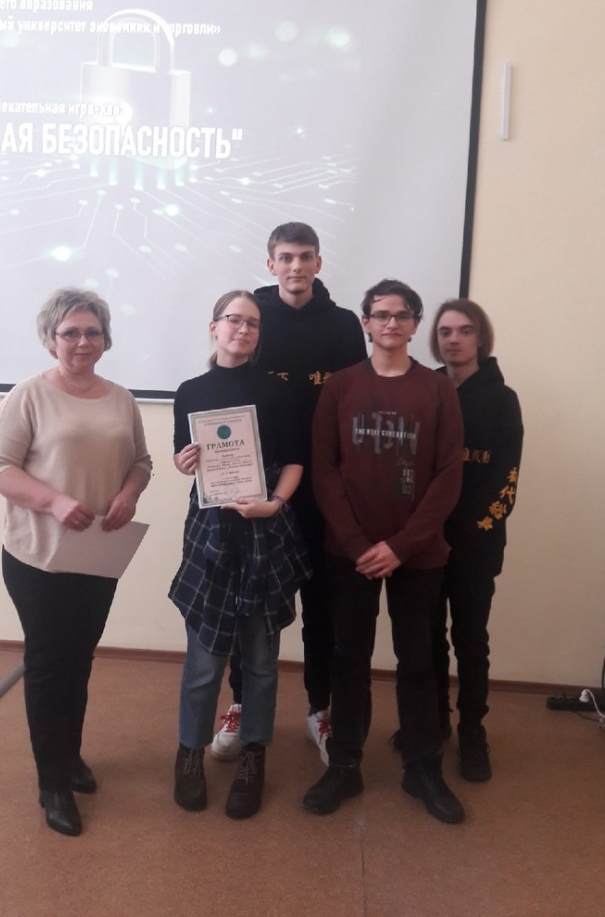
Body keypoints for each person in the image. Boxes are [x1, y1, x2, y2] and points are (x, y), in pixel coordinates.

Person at [0, 288, 152, 837]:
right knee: (50, 664)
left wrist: (129, 493)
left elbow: (142, 462)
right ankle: (51, 781)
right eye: (71, 332)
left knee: (79, 659)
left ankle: (69, 754)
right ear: (51, 338)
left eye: (92, 332)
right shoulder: (29, 395)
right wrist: (54, 501)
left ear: (106, 339)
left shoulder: (121, 398)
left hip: (97, 554)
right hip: (38, 556)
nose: (83, 341)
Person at [302, 279, 466, 824]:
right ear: (366, 323)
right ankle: (344, 765)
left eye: (401, 315)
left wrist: (401, 545)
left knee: (418, 661)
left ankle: (423, 768)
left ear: (415, 324)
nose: (390, 323)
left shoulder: (438, 390)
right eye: (380, 314)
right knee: (348, 659)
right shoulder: (341, 386)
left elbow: (448, 475)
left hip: (417, 553)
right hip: (350, 553)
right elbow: (324, 470)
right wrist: (356, 544)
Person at [211, 222, 367, 766]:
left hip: (324, 485)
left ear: (318, 263)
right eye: (285, 257)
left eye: (305, 256)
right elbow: (227, 387)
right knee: (250, 602)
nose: (295, 266)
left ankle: (320, 709)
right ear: (270, 263)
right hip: (260, 481)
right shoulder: (251, 318)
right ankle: (241, 703)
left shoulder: (344, 325)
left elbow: (355, 403)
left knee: (323, 603)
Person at [170, 290, 312, 820]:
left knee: (261, 661)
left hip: (263, 531)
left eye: (252, 323)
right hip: (210, 532)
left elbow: (295, 461)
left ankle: (254, 754)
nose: (243, 329)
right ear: (214, 327)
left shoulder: (277, 391)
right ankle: (190, 752)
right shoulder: (190, 391)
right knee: (204, 659)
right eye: (234, 320)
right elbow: (183, 458)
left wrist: (274, 503)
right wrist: (185, 462)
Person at [429, 298, 523, 781]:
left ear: (480, 338)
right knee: (428, 639)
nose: (454, 339)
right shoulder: (424, 390)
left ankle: (471, 731)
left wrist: (464, 536)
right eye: (445, 331)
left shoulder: (502, 399)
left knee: (469, 639)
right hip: (424, 542)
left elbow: (505, 482)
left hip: (475, 545)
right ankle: (434, 723)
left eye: (464, 331)